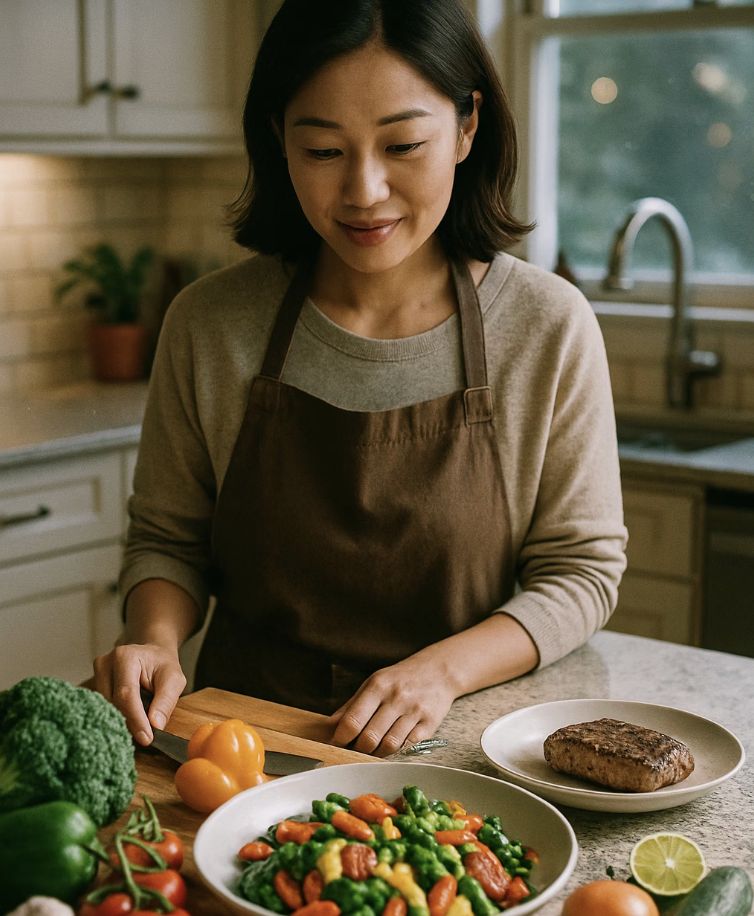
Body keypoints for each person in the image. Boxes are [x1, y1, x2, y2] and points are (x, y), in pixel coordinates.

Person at [94, 0, 627, 757]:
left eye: (403, 144)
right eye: (323, 151)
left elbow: (581, 574)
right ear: (278, 137)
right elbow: (167, 540)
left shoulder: (547, 326)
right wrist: (152, 637)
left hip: (457, 750)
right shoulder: (209, 323)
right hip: (238, 751)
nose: (364, 191)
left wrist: (439, 673)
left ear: (468, 126)